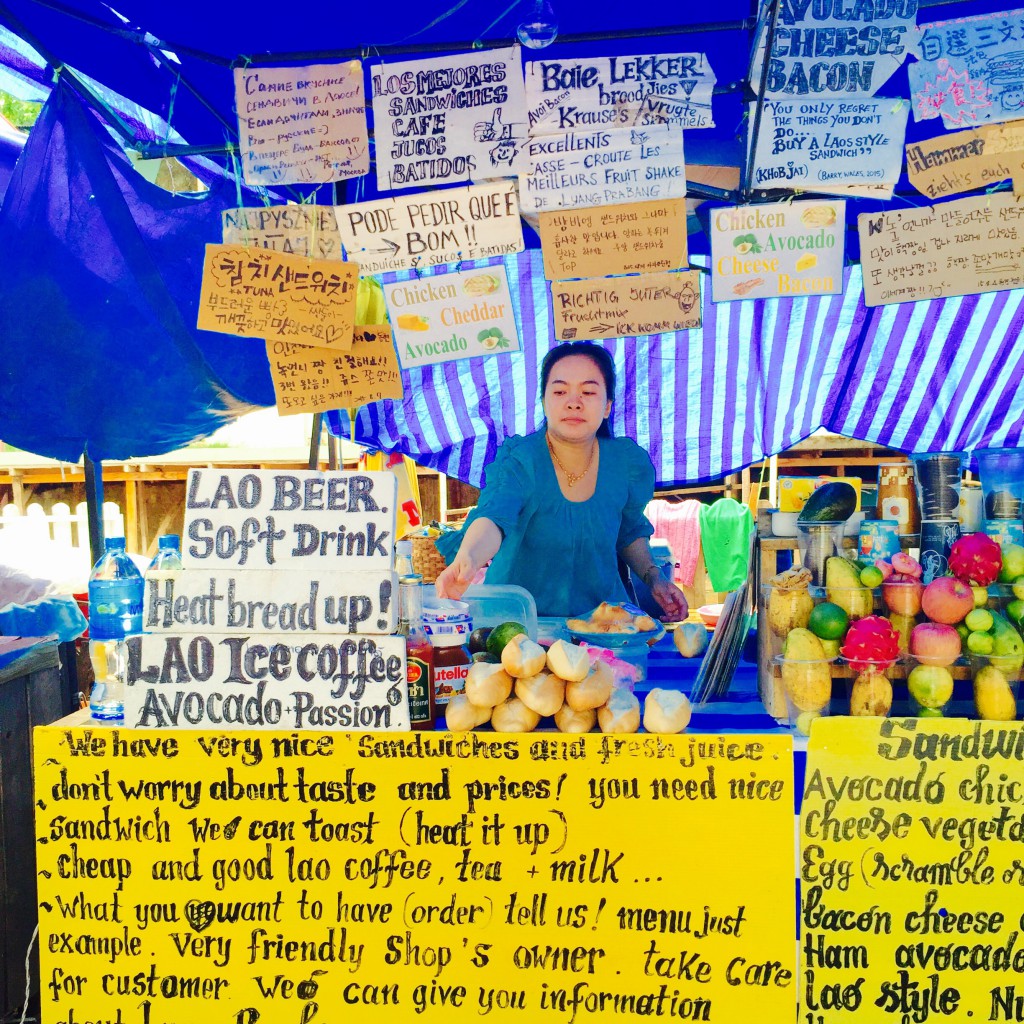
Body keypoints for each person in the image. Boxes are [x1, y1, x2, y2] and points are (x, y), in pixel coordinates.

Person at [435, 342, 688, 621]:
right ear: (545, 403)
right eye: (559, 391)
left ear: (607, 406)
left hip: (604, 626)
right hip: (518, 626)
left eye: (588, 392)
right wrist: (469, 559)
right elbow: (493, 517)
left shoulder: (625, 463)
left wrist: (654, 578)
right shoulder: (521, 460)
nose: (573, 402)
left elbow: (628, 531)